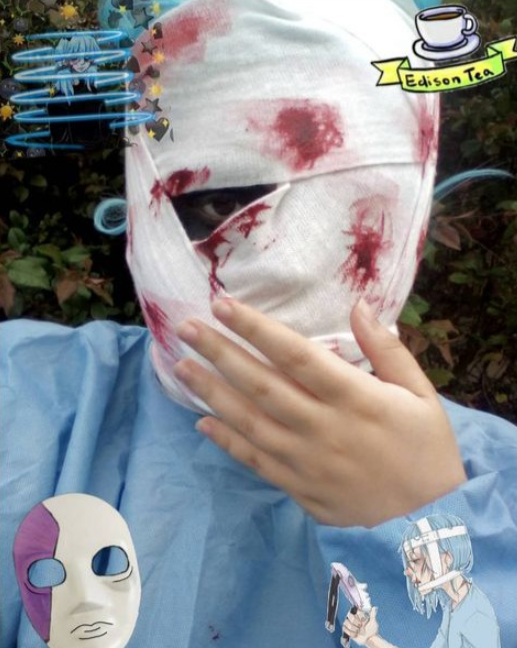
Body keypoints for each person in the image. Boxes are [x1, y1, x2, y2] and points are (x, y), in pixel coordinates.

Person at [1, 1, 516, 647]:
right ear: (139, 197)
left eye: (357, 208)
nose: (291, 266)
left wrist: (428, 535)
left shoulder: (498, 485)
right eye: (220, 204)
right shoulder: (22, 403)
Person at [343, 515, 500, 648]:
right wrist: (371, 639)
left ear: (447, 559)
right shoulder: (454, 605)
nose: (407, 571)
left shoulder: (475, 614)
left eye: (416, 560)